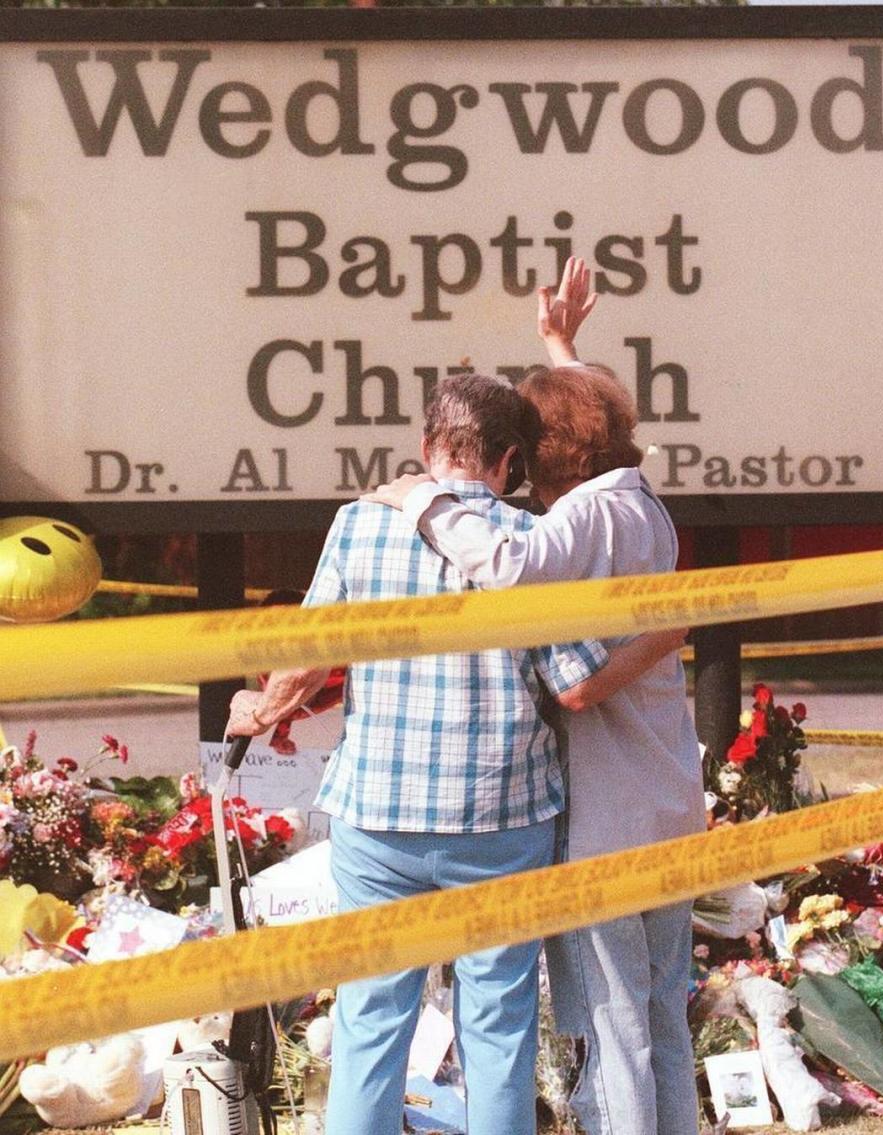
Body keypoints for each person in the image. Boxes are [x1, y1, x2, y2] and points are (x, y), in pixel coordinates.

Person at [225, 370, 682, 1135]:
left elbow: (303, 657)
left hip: (379, 819)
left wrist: (262, 708)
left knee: (371, 1025)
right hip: (503, 822)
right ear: (509, 461)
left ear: (425, 445)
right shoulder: (530, 544)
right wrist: (667, 633)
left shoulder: (358, 524)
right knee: (498, 1036)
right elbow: (575, 679)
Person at [365, 258, 704, 1135]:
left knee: (610, 1022)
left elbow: (511, 571)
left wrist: (429, 502)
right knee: (665, 1010)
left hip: (606, 825)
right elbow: (598, 411)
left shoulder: (580, 517)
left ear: (542, 455)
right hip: (667, 801)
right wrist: (561, 344)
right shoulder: (644, 504)